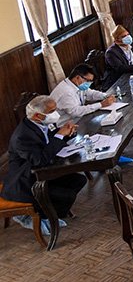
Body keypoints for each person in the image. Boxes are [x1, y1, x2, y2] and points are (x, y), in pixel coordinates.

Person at [3, 95, 84, 235]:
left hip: (43, 172)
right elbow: (39, 160)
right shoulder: (22, 136)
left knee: (79, 180)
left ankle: (48, 214)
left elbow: (49, 140)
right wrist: (59, 136)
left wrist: (67, 133)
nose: (56, 113)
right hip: (26, 181)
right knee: (67, 195)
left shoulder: (41, 123)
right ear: (37, 116)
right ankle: (38, 216)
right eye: (51, 111)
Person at [50, 64, 116, 121]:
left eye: (90, 81)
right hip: (65, 124)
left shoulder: (76, 84)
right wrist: (101, 104)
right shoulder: (66, 91)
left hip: (76, 119)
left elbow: (90, 93)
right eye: (88, 80)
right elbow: (75, 112)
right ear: (77, 77)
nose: (89, 83)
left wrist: (105, 96)